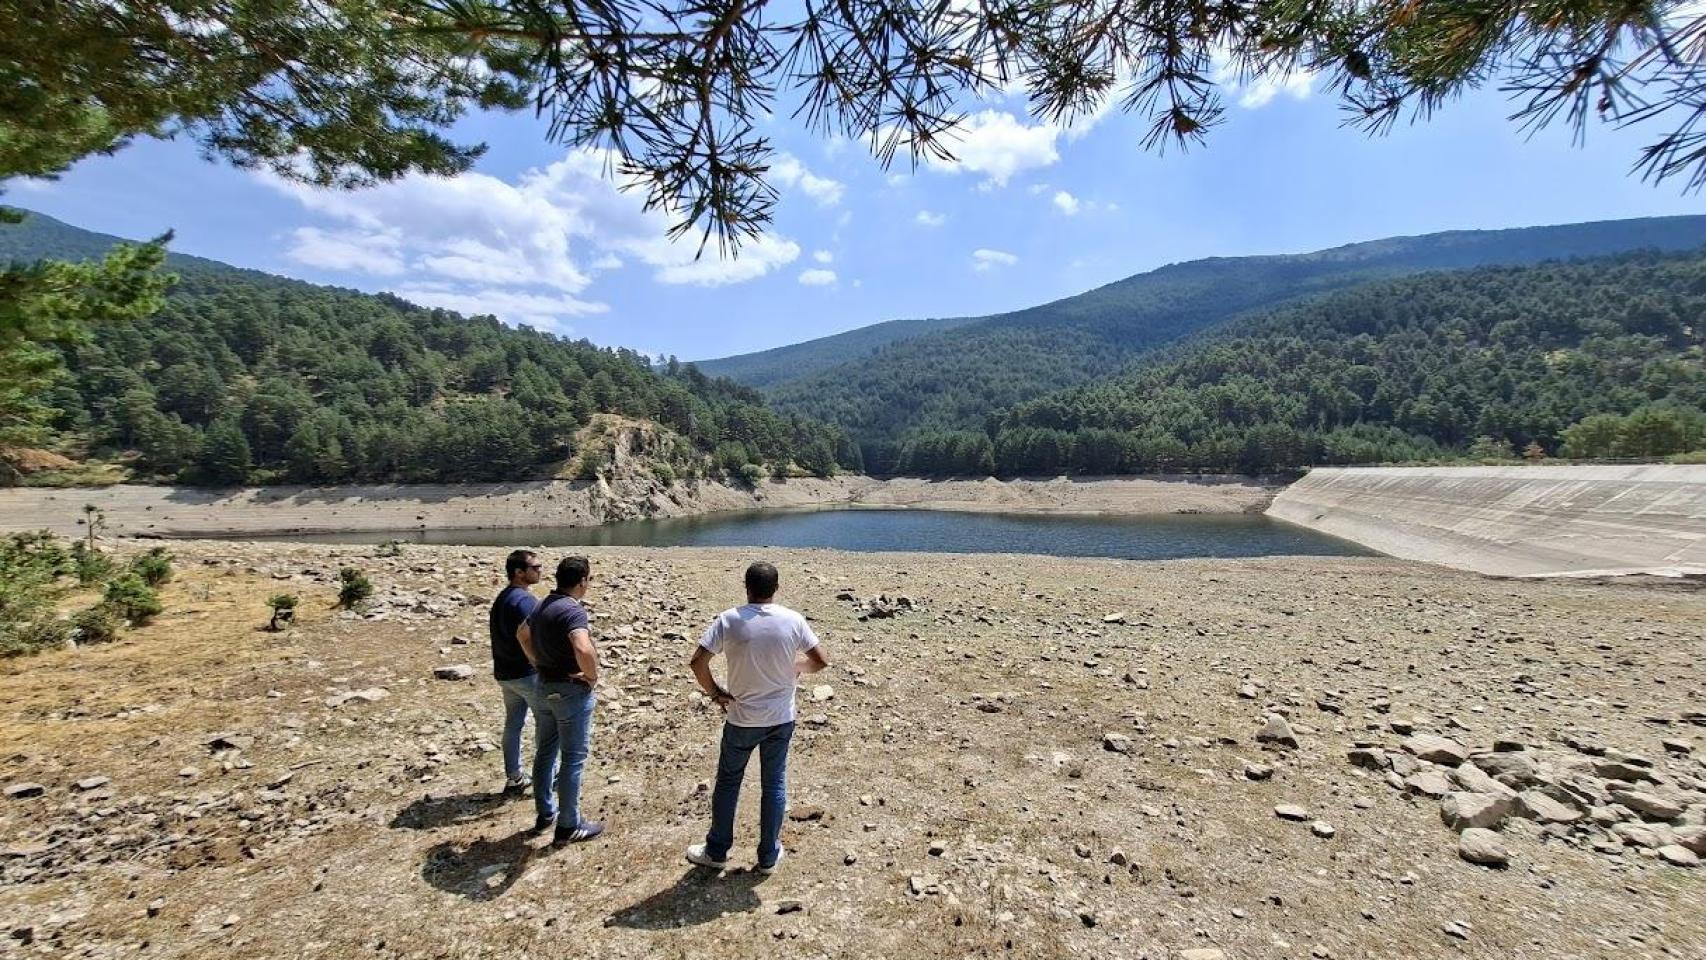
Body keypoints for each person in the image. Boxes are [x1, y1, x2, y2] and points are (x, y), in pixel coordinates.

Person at [686, 561, 830, 873]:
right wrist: (798, 668)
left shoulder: (729, 620)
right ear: (776, 589)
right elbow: (820, 660)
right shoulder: (793, 620)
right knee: (774, 783)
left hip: (741, 718)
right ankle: (768, 856)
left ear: (746, 587)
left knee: (728, 782)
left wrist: (715, 693)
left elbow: (697, 662)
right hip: (780, 717)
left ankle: (717, 851)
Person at [517, 555, 605, 845]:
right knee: (572, 759)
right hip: (569, 691)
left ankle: (545, 813)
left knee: (545, 751)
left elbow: (522, 634)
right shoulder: (572, 610)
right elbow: (583, 647)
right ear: (582, 581)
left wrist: (538, 661)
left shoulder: (542, 604)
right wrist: (591, 676)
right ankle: (569, 825)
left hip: (544, 686)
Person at [489, 549, 542, 797]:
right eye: (535, 567)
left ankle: (514, 777)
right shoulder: (524, 601)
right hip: (526, 674)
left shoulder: (503, 598)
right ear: (519, 572)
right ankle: (548, 776)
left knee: (513, 725)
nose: (540, 571)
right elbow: (528, 636)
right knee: (547, 724)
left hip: (505, 673)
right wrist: (540, 664)